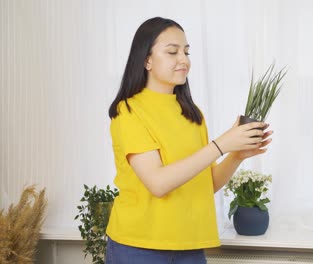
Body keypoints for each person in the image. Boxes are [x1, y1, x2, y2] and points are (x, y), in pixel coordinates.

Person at [105, 17, 273, 264]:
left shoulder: (192, 113)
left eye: (186, 51)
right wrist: (221, 145)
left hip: (190, 247)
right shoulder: (129, 111)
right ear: (147, 60)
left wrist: (237, 155)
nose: (183, 59)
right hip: (139, 247)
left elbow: (207, 184)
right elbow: (158, 183)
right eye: (172, 51)